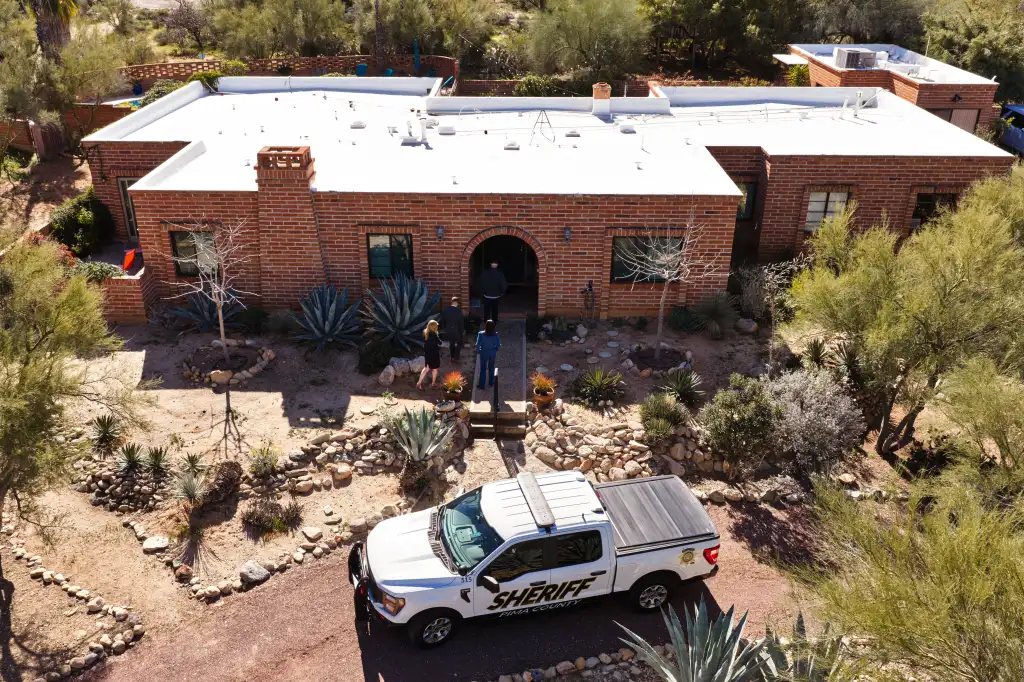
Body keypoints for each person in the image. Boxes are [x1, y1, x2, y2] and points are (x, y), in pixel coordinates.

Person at [476, 319, 501, 390]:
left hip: (484, 353)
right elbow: (498, 345)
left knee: (483, 369)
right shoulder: (496, 334)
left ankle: (482, 384)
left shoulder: (481, 334)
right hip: (492, 353)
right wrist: (495, 349)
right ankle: (491, 382)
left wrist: (478, 351)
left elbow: (478, 345)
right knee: (491, 367)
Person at [417, 320, 442, 390]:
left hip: (427, 354)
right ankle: (433, 384)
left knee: (426, 368)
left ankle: (419, 383)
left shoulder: (425, 333)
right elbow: (440, 343)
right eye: (436, 326)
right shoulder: (434, 335)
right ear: (434, 327)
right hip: (434, 354)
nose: (437, 327)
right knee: (435, 369)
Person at [441, 296, 465, 365]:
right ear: (457, 303)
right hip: (457, 331)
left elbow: (442, 321)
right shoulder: (459, 311)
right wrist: (462, 330)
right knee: (459, 343)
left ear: (451, 302)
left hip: (448, 330)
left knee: (452, 343)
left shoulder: (446, 310)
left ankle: (452, 357)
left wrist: (445, 329)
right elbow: (461, 322)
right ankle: (456, 357)